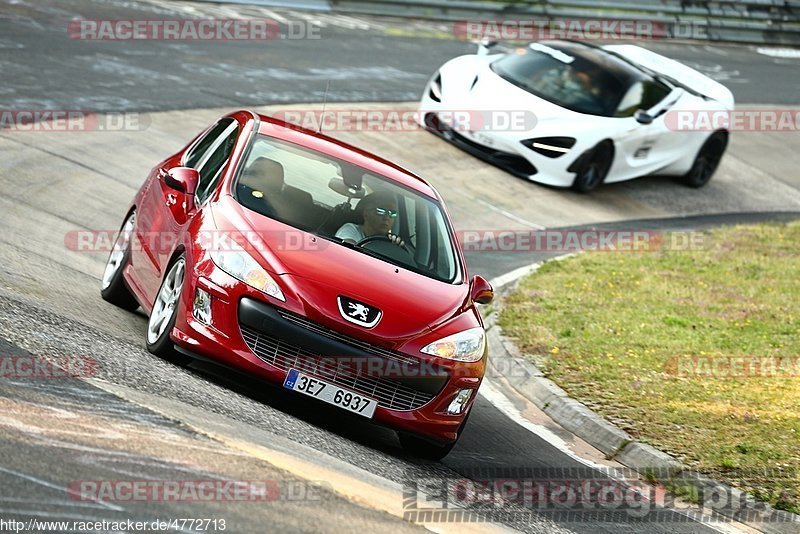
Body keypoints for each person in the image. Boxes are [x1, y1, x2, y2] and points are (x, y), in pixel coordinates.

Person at [335, 191, 404, 247]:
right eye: (380, 211)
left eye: (392, 213)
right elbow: (347, 250)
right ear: (366, 213)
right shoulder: (350, 229)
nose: (387, 217)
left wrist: (395, 247)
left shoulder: (391, 241)